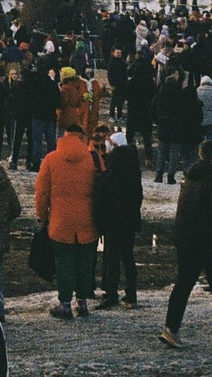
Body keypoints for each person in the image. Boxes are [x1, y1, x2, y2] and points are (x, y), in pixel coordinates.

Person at [162, 138, 212, 346]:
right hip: (209, 243)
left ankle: (170, 328)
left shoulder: (190, 178)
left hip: (187, 240)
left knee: (183, 284)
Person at [34, 121, 100, 319]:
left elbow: (41, 192)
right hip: (89, 218)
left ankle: (64, 303)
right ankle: (82, 301)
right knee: (85, 261)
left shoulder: (51, 159)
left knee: (64, 262)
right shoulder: (93, 160)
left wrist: (42, 217)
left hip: (60, 220)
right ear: (82, 138)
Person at [95, 130, 146, 309]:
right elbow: (138, 195)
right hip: (129, 217)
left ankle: (111, 294)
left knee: (111, 257)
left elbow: (106, 192)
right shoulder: (133, 164)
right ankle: (131, 294)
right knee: (127, 256)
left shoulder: (113, 163)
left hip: (113, 217)